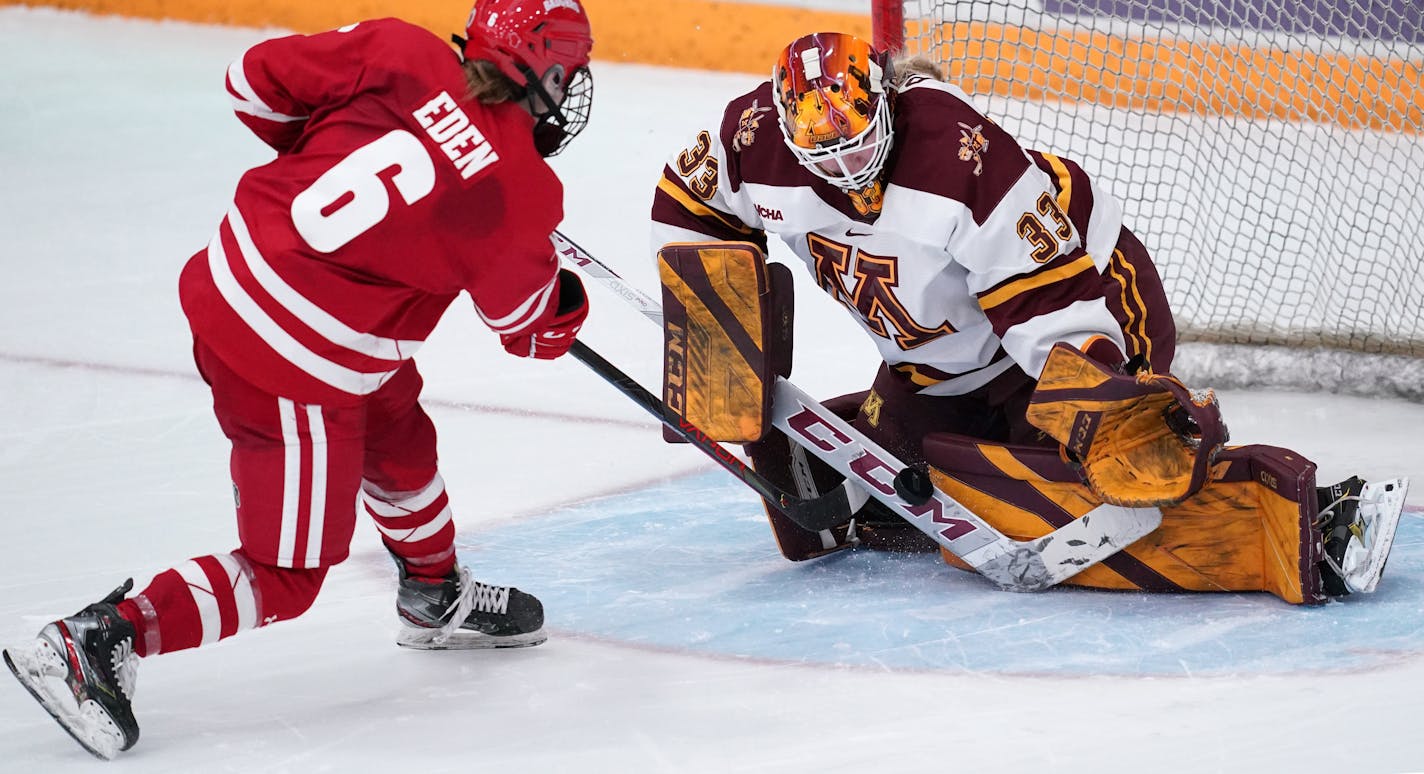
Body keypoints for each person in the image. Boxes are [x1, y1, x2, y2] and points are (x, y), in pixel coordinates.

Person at [4, 0, 595, 759]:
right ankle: (96, 639)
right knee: (287, 573)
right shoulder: (521, 192)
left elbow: (249, 82)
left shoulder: (400, 48)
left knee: (398, 427)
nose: (571, 86)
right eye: (569, 71)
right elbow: (530, 333)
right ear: (542, 68)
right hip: (291, 361)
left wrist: (325, 151)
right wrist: (564, 296)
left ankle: (434, 595)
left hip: (231, 275)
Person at [648, 32, 1406, 604]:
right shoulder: (752, 139)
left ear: (884, 98)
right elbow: (688, 203)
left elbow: (1046, 299)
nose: (846, 166)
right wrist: (714, 331)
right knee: (903, 487)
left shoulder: (960, 158)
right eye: (823, 149)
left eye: (858, 137)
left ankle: (1314, 525)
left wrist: (1098, 413)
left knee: (1091, 484)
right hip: (939, 357)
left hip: (1085, 300)